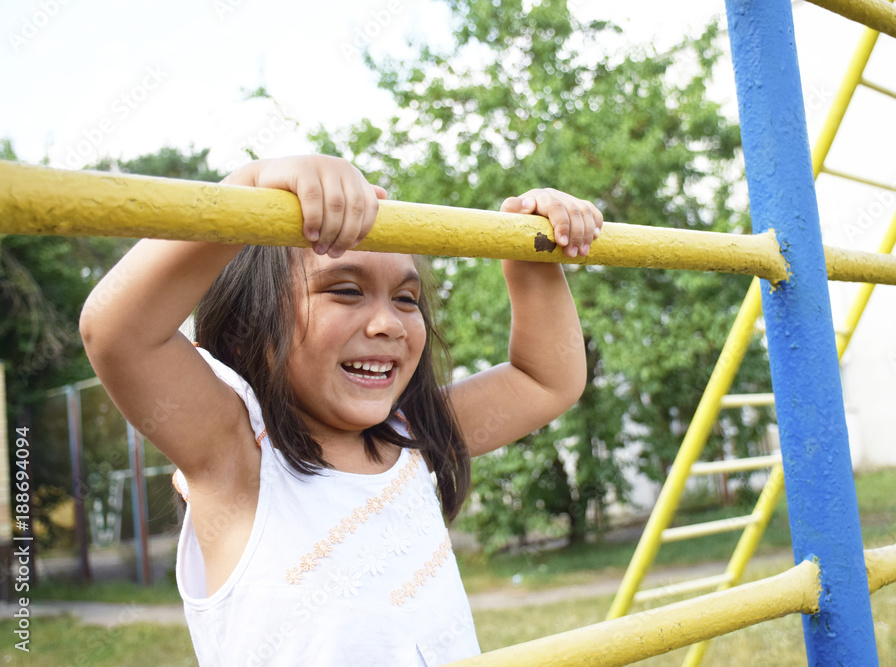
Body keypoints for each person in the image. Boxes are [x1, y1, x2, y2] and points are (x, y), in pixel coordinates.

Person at [80, 155, 602, 666]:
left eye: (406, 299)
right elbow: (117, 332)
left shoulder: (410, 435)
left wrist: (531, 257)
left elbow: (545, 379)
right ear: (247, 329)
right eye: (347, 291)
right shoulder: (237, 454)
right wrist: (249, 186)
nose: (389, 324)